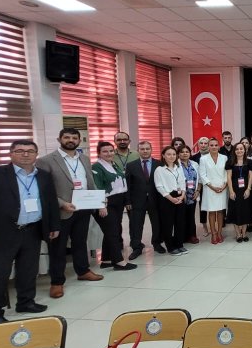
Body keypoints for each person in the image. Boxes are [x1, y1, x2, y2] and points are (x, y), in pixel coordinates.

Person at [0, 140, 60, 325]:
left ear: (36, 155)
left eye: (30, 151)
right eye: (20, 151)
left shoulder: (43, 176)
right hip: (1, 233)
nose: (25, 154)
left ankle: (26, 302)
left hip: (32, 230)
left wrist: (53, 226)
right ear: (10, 154)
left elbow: (50, 202)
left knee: (28, 270)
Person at [37, 128, 104, 299]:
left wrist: (99, 201)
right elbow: (44, 190)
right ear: (59, 139)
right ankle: (57, 282)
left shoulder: (84, 158)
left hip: (83, 208)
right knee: (58, 248)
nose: (70, 140)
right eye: (66, 137)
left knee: (80, 242)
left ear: (79, 140)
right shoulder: (46, 161)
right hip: (62, 210)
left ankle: (83, 271)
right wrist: (62, 204)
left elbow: (89, 182)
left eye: (74, 137)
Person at [91, 141, 136, 271]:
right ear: (99, 153)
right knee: (113, 232)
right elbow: (97, 187)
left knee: (111, 231)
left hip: (118, 201)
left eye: (111, 151)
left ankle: (106, 260)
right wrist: (101, 206)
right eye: (105, 151)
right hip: (106, 203)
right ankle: (119, 261)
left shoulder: (113, 164)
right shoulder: (97, 167)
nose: (109, 153)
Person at [126, 141, 164, 259]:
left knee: (157, 223)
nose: (145, 151)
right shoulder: (131, 165)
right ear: (138, 151)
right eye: (142, 149)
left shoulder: (159, 164)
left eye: (147, 148)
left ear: (151, 149)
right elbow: (127, 185)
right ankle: (136, 247)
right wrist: (127, 201)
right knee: (136, 224)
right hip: (137, 200)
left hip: (155, 199)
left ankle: (157, 243)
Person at [154, 146, 188, 256]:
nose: (171, 156)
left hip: (179, 196)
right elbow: (159, 187)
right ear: (163, 156)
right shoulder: (159, 170)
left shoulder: (178, 167)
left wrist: (182, 195)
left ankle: (179, 244)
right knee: (168, 224)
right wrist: (171, 199)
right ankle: (170, 247)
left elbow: (183, 182)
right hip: (167, 198)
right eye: (168, 154)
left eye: (173, 154)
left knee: (180, 222)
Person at [199, 138, 228, 244]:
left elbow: (226, 172)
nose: (214, 147)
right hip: (210, 189)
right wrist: (212, 187)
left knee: (220, 211)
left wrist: (224, 185)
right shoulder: (203, 159)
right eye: (211, 145)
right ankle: (213, 234)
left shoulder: (224, 158)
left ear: (219, 146)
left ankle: (219, 232)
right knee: (211, 211)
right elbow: (202, 175)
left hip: (222, 187)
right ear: (208, 147)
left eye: (216, 145)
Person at [226, 142, 252, 242]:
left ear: (244, 150)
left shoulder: (249, 162)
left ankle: (244, 233)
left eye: (241, 149)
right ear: (234, 151)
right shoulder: (230, 162)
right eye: (237, 149)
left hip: (245, 190)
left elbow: (250, 176)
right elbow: (229, 177)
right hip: (234, 190)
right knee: (235, 211)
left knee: (245, 211)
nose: (239, 151)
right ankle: (238, 234)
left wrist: (248, 189)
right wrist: (231, 191)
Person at [178, 146, 201, 244]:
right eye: (182, 152)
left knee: (191, 216)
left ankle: (192, 235)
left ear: (190, 153)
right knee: (181, 216)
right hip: (180, 195)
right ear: (178, 154)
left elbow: (200, 179)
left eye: (187, 152)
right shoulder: (176, 165)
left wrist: (198, 191)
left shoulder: (195, 164)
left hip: (193, 194)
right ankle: (182, 236)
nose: (185, 153)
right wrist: (182, 193)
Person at [191, 136, 211, 237]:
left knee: (213, 205)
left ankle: (215, 225)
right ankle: (204, 226)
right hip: (200, 185)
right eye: (201, 143)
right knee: (202, 206)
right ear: (198, 145)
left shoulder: (213, 155)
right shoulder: (194, 157)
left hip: (211, 184)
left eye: (205, 143)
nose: (203, 145)